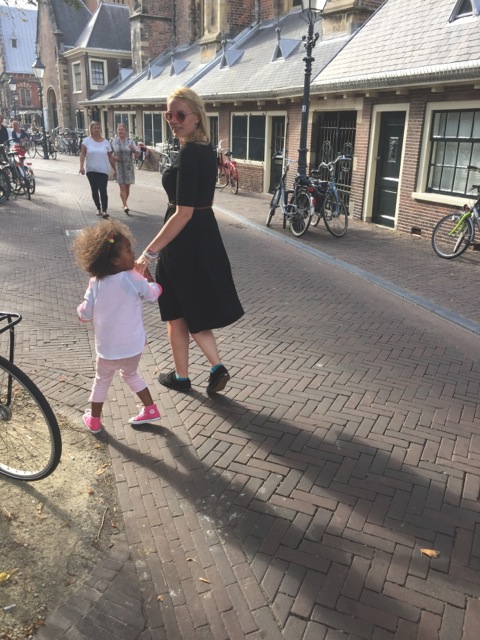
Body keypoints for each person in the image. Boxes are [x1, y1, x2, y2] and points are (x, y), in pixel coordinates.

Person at [135, 87, 244, 395]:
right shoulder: (207, 150)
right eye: (168, 114)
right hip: (205, 234)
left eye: (180, 115)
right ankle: (216, 367)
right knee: (192, 306)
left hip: (182, 241)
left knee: (175, 310)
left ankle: (183, 377)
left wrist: (149, 253)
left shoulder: (189, 153)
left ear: (197, 117)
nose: (173, 120)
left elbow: (183, 213)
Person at [73, 220, 163, 433]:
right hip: (133, 346)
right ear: (115, 260)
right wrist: (152, 281)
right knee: (131, 375)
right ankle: (150, 409)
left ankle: (94, 420)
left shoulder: (96, 282)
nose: (133, 254)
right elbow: (152, 295)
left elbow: (85, 313)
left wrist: (80, 310)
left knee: (102, 381)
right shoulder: (134, 278)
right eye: (128, 251)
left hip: (108, 349)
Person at [79, 121, 116, 219]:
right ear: (91, 129)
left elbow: (110, 157)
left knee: (103, 189)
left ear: (101, 129)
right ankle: (98, 208)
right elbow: (82, 154)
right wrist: (81, 166)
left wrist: (115, 169)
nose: (96, 130)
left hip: (103, 170)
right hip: (91, 170)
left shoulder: (106, 142)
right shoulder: (86, 141)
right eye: (94, 128)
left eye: (98, 128)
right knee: (94, 190)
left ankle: (104, 210)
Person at [111, 123, 137, 214]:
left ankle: (124, 202)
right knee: (122, 186)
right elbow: (110, 152)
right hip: (119, 167)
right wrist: (113, 156)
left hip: (128, 167)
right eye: (119, 129)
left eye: (122, 129)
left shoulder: (130, 141)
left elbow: (138, 153)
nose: (121, 131)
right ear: (117, 131)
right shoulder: (113, 141)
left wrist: (133, 149)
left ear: (126, 131)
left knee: (127, 186)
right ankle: (125, 205)